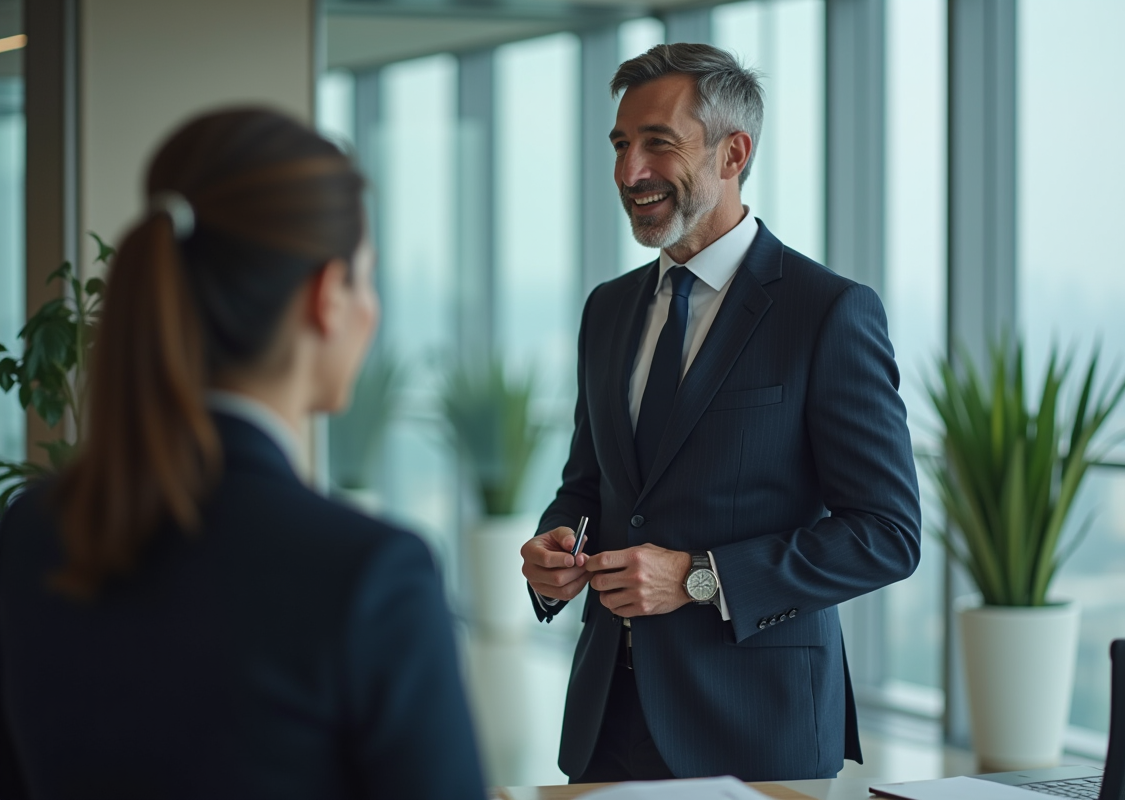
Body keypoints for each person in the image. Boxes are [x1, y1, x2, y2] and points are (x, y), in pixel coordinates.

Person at [0, 108, 487, 799]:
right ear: (326, 296)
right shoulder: (370, 576)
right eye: (366, 278)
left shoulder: (32, 533)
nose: (372, 309)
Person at [520, 44, 922, 783]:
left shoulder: (826, 312)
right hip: (607, 718)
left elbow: (887, 535)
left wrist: (700, 577)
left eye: (657, 144)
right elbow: (592, 484)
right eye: (619, 144)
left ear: (733, 153)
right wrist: (554, 549)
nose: (627, 172)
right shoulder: (608, 310)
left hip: (755, 725)